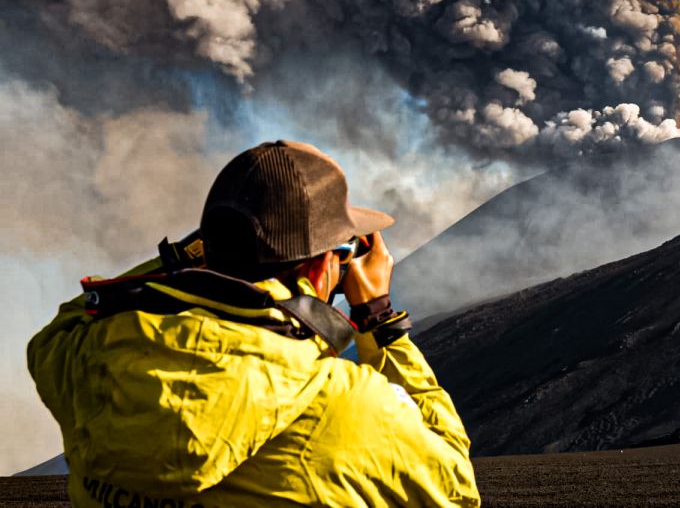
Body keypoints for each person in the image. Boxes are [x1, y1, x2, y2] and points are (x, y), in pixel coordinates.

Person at [27, 140, 481, 507]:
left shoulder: (86, 357)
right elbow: (455, 489)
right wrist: (379, 317)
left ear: (208, 247)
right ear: (322, 268)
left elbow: (72, 316)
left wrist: (186, 260)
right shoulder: (345, 405)